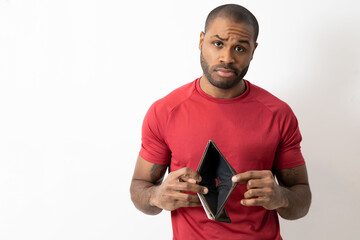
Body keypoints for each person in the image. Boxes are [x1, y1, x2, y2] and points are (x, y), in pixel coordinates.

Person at [130, 4, 311, 240]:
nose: (227, 57)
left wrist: (280, 196)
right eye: (218, 43)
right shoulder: (165, 111)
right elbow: (139, 187)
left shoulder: (278, 114)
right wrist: (156, 196)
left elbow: (302, 199)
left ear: (253, 51)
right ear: (201, 41)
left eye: (239, 48)